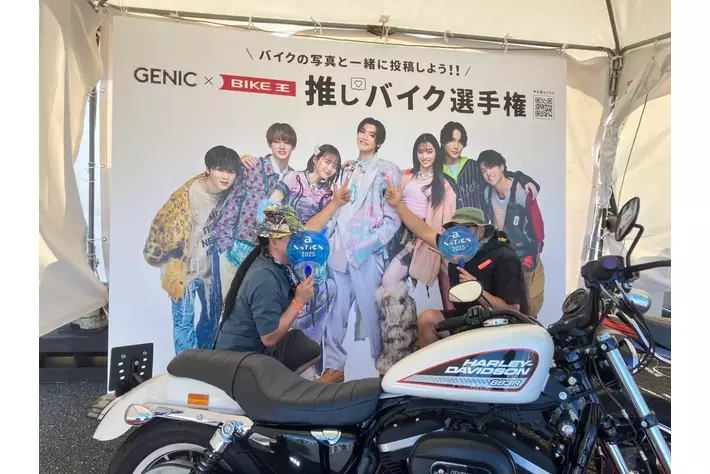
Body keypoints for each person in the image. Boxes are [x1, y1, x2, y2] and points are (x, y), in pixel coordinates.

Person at [214, 181, 350, 373]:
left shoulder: (278, 259)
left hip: (259, 350)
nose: (299, 242)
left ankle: (281, 382)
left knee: (310, 349)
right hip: (240, 360)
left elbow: (310, 229)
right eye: (292, 237)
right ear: (274, 241)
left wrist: (335, 204)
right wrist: (299, 301)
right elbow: (269, 337)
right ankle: (272, 386)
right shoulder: (264, 278)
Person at [385, 181, 529, 348]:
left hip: (499, 326)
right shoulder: (454, 249)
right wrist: (398, 204)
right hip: (469, 321)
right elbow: (423, 231)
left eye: (466, 228)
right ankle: (440, 365)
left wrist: (477, 290)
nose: (459, 235)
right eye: (454, 229)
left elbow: (513, 311)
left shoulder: (503, 256)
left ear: (481, 231)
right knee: (427, 320)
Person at [318, 117, 403, 384]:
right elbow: (337, 206)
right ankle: (333, 367)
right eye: (362, 131)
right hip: (338, 251)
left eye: (371, 134)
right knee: (335, 312)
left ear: (379, 141)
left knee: (375, 314)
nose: (365, 137)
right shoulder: (346, 168)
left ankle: (385, 370)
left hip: (366, 253)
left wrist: (371, 245)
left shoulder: (388, 169)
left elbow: (393, 218)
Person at [143, 145, 241, 354]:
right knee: (183, 321)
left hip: (210, 272)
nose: (225, 176)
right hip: (183, 271)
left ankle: (204, 362)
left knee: (213, 319)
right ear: (208, 169)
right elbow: (162, 227)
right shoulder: (189, 195)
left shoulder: (228, 193)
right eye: (220, 170)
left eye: (231, 172)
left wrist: (247, 159)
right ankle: (186, 366)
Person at [375, 133, 457, 375]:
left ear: (436, 153)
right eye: (421, 151)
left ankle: (402, 349)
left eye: (429, 151)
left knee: (391, 280)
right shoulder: (406, 175)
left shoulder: (444, 185)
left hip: (421, 240)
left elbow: (447, 223)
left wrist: (441, 248)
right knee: (391, 286)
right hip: (395, 235)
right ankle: (404, 347)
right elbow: (382, 181)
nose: (425, 156)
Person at [211, 123, 298, 299]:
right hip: (237, 249)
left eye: (287, 142)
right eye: (276, 141)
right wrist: (225, 245)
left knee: (259, 307)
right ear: (269, 144)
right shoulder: (252, 167)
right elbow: (232, 202)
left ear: (293, 146)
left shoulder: (294, 178)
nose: (282, 146)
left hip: (268, 256)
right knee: (230, 305)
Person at [267, 144, 342, 345]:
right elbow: (270, 206)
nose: (330, 168)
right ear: (315, 160)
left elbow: (324, 227)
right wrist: (284, 237)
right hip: (283, 247)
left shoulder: (328, 193)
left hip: (308, 252)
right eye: (327, 162)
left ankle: (307, 347)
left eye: (335, 166)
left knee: (326, 289)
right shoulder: (294, 178)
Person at [479, 150, 545, 318]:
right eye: (483, 170)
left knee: (528, 305)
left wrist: (535, 252)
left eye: (491, 167)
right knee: (506, 303)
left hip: (525, 254)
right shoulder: (487, 193)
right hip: (504, 253)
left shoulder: (522, 191)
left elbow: (537, 226)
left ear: (502, 167)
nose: (488, 173)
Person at [438, 121, 540, 212]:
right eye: (452, 140)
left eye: (460, 142)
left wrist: (525, 180)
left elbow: (501, 174)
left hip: (479, 225)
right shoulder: (436, 171)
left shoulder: (473, 166)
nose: (456, 146)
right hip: (452, 226)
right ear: (443, 141)